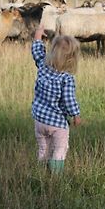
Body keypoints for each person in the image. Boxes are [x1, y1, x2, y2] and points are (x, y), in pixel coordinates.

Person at [31, 25, 81, 173]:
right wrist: (76, 115)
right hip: (57, 123)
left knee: (43, 148)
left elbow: (37, 51)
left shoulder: (43, 66)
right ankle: (55, 179)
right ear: (72, 59)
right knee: (59, 150)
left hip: (39, 120)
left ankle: (41, 173)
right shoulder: (67, 78)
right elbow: (69, 100)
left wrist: (38, 35)